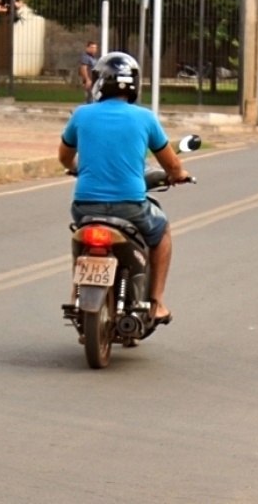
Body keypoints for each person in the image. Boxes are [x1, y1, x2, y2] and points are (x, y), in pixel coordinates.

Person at [58, 52, 190, 326]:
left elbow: (64, 157)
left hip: (85, 206)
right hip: (131, 206)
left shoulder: (81, 115)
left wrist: (76, 167)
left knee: (82, 239)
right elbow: (171, 164)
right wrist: (179, 175)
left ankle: (76, 293)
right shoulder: (145, 118)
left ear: (98, 82)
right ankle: (156, 303)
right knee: (161, 231)